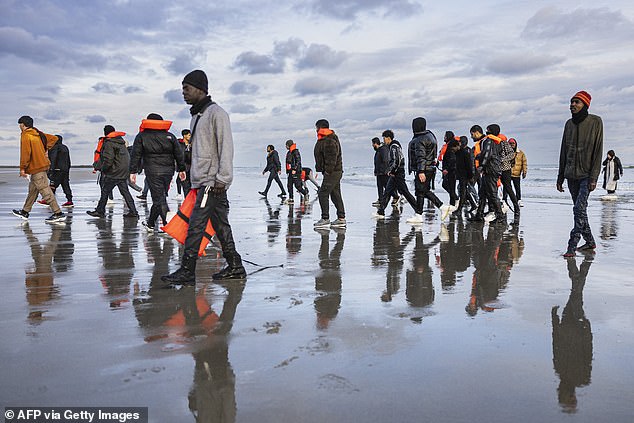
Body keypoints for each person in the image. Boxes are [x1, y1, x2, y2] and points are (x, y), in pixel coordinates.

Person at [162, 69, 246, 284]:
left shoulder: (216, 113)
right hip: (202, 180)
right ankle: (235, 266)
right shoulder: (196, 116)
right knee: (220, 225)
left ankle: (187, 271)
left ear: (200, 89)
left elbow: (226, 147)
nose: (183, 93)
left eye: (186, 88)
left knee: (196, 225)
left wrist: (223, 178)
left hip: (213, 182)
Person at [557, 90, 603, 257]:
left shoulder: (595, 122)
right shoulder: (569, 124)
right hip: (570, 175)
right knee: (581, 211)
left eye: (577, 102)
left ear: (585, 105)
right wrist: (560, 176)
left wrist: (594, 177)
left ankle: (572, 245)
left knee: (578, 209)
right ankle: (590, 242)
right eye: (572, 102)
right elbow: (563, 150)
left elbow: (598, 151)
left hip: (586, 174)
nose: (573, 105)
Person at [129, 113, 186, 232]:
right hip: (168, 171)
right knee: (160, 197)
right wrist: (181, 169)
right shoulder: (170, 136)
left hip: (152, 171)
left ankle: (169, 225)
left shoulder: (141, 136)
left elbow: (136, 155)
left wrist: (133, 171)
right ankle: (150, 224)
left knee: (159, 198)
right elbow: (179, 154)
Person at [12, 116, 66, 223]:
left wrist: (23, 168)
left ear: (23, 125)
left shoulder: (26, 135)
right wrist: (44, 150)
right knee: (33, 190)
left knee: (45, 191)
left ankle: (58, 213)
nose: (20, 127)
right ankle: (25, 211)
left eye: (20, 125)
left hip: (36, 168)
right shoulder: (38, 133)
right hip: (41, 166)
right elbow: (54, 139)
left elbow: (25, 153)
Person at [407, 117, 455, 223]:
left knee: (421, 191)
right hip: (430, 168)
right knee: (422, 191)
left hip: (425, 168)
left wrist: (420, 171)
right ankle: (421, 213)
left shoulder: (420, 139)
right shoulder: (431, 136)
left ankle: (436, 208)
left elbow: (421, 156)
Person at [87, 125, 139, 219]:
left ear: (105, 132)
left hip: (114, 172)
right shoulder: (121, 142)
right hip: (123, 171)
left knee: (105, 191)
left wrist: (103, 168)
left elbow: (108, 159)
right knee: (125, 192)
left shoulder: (109, 143)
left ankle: (100, 211)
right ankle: (133, 211)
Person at [374, 130, 420, 219]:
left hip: (398, 173)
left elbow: (397, 160)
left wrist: (392, 171)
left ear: (388, 138)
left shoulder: (394, 147)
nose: (383, 141)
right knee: (387, 191)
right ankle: (381, 212)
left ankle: (418, 211)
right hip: (396, 173)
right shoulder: (394, 146)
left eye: (384, 138)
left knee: (405, 192)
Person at [469, 124, 505, 224]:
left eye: (472, 134)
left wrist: (481, 166)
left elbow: (487, 153)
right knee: (482, 193)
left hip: (491, 170)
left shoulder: (487, 140)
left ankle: (500, 216)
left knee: (492, 194)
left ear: (477, 133)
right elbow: (487, 153)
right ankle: (479, 215)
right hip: (489, 169)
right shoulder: (487, 141)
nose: (471, 137)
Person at [313, 119, 346, 228]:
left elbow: (332, 157)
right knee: (335, 193)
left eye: (316, 128)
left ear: (320, 128)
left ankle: (325, 218)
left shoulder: (329, 140)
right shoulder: (325, 138)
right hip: (334, 171)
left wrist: (327, 171)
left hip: (333, 172)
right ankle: (341, 218)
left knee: (323, 193)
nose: (316, 130)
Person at [46, 135, 73, 207]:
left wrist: (51, 169)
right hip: (65, 169)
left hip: (57, 169)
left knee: (53, 184)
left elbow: (53, 158)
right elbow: (68, 160)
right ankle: (69, 201)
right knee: (65, 185)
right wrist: (68, 168)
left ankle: (48, 200)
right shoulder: (65, 147)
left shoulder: (55, 148)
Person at [372, 137, 398, 207]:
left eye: (372, 144)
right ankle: (380, 200)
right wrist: (376, 171)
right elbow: (377, 162)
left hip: (383, 173)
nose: (372, 146)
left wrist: (386, 171)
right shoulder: (379, 150)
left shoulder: (383, 149)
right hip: (379, 173)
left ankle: (396, 196)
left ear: (375, 143)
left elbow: (386, 161)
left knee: (387, 187)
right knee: (380, 187)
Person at [499, 134, 520, 218]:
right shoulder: (493, 142)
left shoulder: (504, 143)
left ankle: (516, 207)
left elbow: (511, 154)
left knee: (508, 187)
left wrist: (502, 160)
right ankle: (501, 205)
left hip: (505, 169)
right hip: (496, 169)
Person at [284, 139, 309, 204]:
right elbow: (288, 162)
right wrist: (288, 171)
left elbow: (298, 161)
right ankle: (291, 199)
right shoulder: (289, 152)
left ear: (289, 145)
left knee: (298, 186)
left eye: (286, 145)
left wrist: (294, 169)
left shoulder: (295, 151)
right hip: (290, 172)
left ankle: (305, 194)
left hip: (296, 171)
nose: (285, 146)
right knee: (289, 185)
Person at [508, 138, 527, 206]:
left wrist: (524, 172)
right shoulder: (506, 152)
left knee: (517, 188)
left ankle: (519, 200)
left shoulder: (521, 153)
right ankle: (504, 200)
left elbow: (524, 163)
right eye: (510, 143)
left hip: (517, 174)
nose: (512, 145)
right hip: (508, 173)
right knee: (506, 188)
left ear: (515, 144)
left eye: (513, 143)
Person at [176, 129, 192, 199]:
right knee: (185, 187)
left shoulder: (192, 144)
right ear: (184, 136)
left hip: (192, 168)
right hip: (183, 168)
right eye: (189, 135)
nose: (190, 137)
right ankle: (187, 201)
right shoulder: (179, 144)